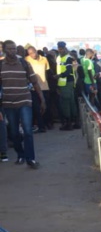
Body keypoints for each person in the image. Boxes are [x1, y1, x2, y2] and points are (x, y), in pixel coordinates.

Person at [0, 40, 45, 168]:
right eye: (9, 49)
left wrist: (42, 100)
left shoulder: (24, 63)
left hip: (25, 100)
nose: (12, 51)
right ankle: (21, 154)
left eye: (14, 48)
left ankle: (31, 159)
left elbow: (35, 83)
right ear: (4, 50)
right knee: (14, 132)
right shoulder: (1, 65)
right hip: (8, 103)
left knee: (28, 131)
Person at [25, 45, 50, 133]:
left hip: (44, 86)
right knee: (37, 107)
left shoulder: (44, 59)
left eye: (33, 52)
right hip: (34, 88)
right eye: (30, 53)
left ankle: (47, 123)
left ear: (36, 51)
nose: (32, 55)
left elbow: (46, 72)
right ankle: (40, 125)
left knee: (46, 106)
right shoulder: (26, 60)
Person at [54, 41, 77, 130]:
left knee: (66, 103)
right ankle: (72, 122)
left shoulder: (68, 58)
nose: (60, 50)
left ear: (65, 48)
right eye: (59, 49)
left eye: (62, 49)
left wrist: (58, 76)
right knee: (70, 102)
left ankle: (69, 124)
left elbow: (67, 72)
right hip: (62, 83)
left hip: (67, 82)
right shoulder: (59, 58)